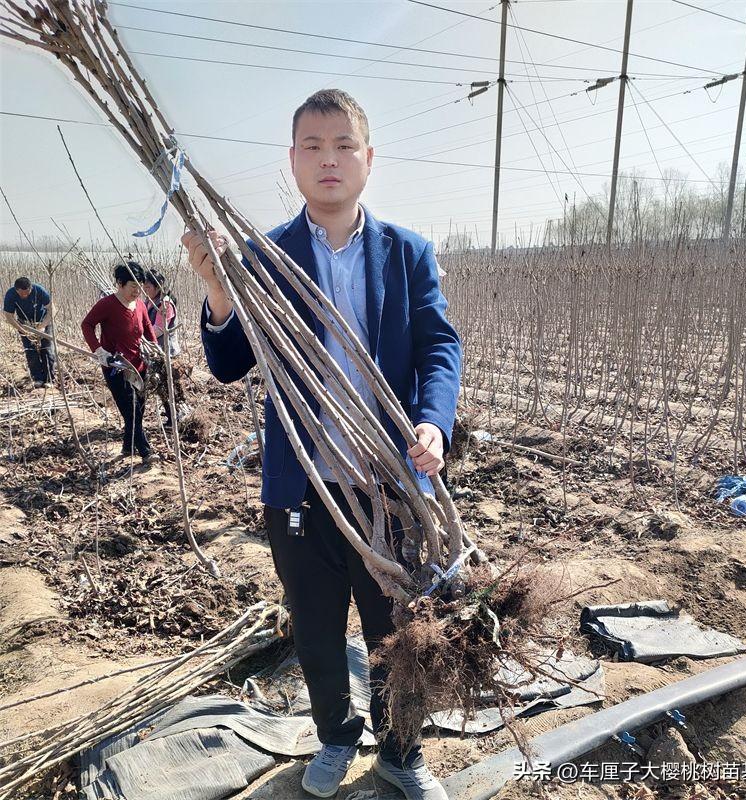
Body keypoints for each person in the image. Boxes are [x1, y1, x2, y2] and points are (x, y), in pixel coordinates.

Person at [183, 89, 459, 800]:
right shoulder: (265, 256)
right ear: (294, 161)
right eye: (314, 146)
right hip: (301, 488)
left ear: (368, 159)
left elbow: (437, 347)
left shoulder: (408, 253)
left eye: (343, 146)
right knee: (314, 628)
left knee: (396, 629)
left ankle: (400, 750)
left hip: (390, 487)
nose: (329, 159)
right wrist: (218, 288)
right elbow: (228, 361)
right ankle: (336, 737)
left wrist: (433, 420)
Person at [81, 261, 160, 465]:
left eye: (140, 286)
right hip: (116, 366)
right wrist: (98, 350)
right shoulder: (107, 304)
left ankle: (127, 445)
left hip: (139, 365)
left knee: (139, 409)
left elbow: (147, 325)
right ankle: (145, 451)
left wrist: (155, 347)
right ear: (120, 284)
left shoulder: (140, 305)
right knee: (130, 409)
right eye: (133, 286)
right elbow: (87, 324)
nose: (137, 291)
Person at [3, 276, 55, 387]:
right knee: (30, 351)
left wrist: (42, 326)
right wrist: (22, 330)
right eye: (22, 294)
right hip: (24, 324)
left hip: (42, 321)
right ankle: (38, 379)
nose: (25, 295)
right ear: (16, 290)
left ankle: (49, 379)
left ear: (31, 288)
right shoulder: (10, 295)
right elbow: (9, 316)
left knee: (47, 349)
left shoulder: (39, 290)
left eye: (27, 293)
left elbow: (52, 309)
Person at [142, 270, 180, 357]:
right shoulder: (148, 301)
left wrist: (139, 335)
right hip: (155, 350)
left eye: (148, 287)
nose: (144, 290)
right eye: (143, 287)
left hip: (167, 352)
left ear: (158, 287)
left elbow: (158, 330)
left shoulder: (165, 303)